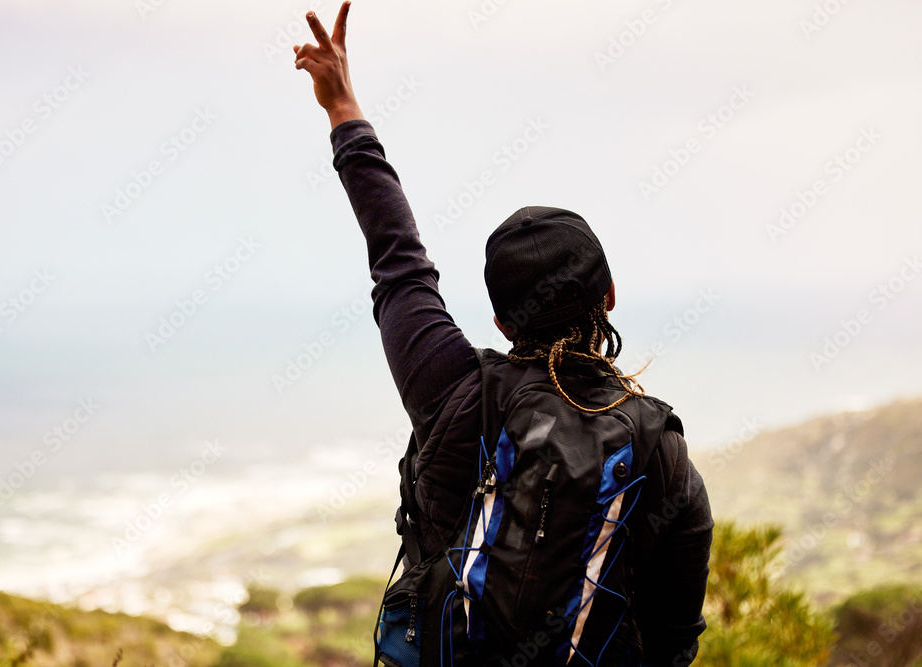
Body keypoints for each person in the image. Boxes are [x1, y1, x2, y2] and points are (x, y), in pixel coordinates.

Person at [293, 4, 714, 664]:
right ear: (608, 294)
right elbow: (674, 640)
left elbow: (397, 260)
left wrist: (342, 106)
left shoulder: (452, 390)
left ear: (500, 321)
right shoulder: (661, 452)